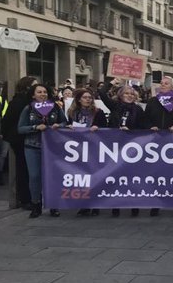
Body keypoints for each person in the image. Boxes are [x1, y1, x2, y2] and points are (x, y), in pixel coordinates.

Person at [99, 81, 148, 217]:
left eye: (132, 94)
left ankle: (134, 204)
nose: (129, 96)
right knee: (116, 175)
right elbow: (102, 94)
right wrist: (111, 82)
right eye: (126, 93)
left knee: (132, 177)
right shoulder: (114, 106)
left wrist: (131, 130)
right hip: (115, 146)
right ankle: (116, 205)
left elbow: (143, 127)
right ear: (120, 95)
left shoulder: (138, 110)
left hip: (132, 148)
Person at [17, 84, 67, 218]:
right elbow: (20, 128)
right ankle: (36, 204)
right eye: (39, 92)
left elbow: (65, 122)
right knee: (34, 177)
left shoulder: (55, 107)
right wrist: (35, 127)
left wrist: (59, 125)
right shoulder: (28, 109)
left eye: (45, 92)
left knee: (52, 176)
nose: (43, 94)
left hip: (52, 148)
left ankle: (53, 204)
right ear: (33, 95)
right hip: (33, 147)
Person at [145, 76, 173, 218]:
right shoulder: (153, 102)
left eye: (166, 84)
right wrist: (149, 125)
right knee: (157, 174)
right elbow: (145, 118)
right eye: (161, 83)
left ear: (172, 87)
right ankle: (156, 204)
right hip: (156, 143)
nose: (162, 85)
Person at [67, 88, 107, 217]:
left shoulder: (98, 112)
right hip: (78, 149)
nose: (88, 99)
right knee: (83, 177)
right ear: (79, 99)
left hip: (94, 147)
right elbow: (67, 125)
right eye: (85, 97)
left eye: (90, 97)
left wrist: (98, 128)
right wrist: (69, 127)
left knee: (95, 175)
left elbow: (106, 128)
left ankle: (96, 204)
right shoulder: (73, 112)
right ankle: (84, 204)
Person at [2, 76, 38, 209]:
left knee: (27, 169)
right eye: (35, 86)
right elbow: (9, 121)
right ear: (28, 87)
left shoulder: (23, 101)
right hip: (21, 139)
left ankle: (29, 197)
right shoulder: (21, 102)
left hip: (21, 139)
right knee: (24, 169)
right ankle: (25, 198)